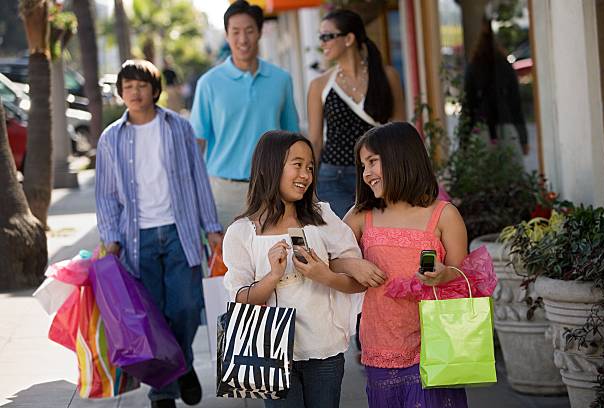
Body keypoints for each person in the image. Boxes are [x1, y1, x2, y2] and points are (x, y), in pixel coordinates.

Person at [95, 59, 223, 408]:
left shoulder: (178, 127)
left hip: (180, 231)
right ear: (121, 93)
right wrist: (111, 239)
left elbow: (198, 178)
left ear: (154, 90)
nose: (135, 92)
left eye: (141, 85)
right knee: (152, 315)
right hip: (138, 239)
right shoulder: (111, 138)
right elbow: (105, 194)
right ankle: (164, 389)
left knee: (185, 307)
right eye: (128, 87)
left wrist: (212, 228)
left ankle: (181, 367)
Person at [222, 130, 365, 408]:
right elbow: (240, 299)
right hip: (270, 350)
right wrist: (272, 277)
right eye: (297, 165)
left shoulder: (321, 217)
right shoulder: (242, 232)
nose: (306, 175)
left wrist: (324, 275)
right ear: (270, 167)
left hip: (324, 348)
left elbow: (357, 281)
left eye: (310, 167)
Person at [343, 122, 470, 407]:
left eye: (373, 162)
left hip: (435, 343)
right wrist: (352, 265)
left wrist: (444, 274)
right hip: (381, 340)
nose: (367, 174)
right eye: (363, 165)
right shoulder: (362, 216)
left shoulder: (445, 215)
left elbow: (465, 278)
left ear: (401, 156)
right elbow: (332, 258)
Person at [190, 0, 300, 229]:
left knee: (274, 260)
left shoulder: (281, 79)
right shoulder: (208, 83)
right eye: (235, 32)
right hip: (223, 193)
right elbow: (197, 144)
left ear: (260, 32)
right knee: (227, 264)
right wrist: (193, 196)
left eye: (249, 31)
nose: (243, 39)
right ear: (227, 35)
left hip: (272, 189)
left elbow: (293, 139)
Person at [307, 9, 405, 218]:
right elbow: (315, 142)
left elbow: (400, 132)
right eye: (320, 37)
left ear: (349, 38)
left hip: (380, 174)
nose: (322, 43)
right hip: (334, 178)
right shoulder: (319, 85)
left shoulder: (387, 76)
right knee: (348, 239)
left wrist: (404, 173)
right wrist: (307, 188)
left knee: (380, 237)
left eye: (327, 36)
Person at [463, 17, 529, 157]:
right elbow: (515, 104)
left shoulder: (474, 65)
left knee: (482, 172)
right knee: (510, 172)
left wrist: (464, 142)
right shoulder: (504, 65)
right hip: (505, 124)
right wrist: (523, 139)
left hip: (481, 126)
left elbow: (468, 105)